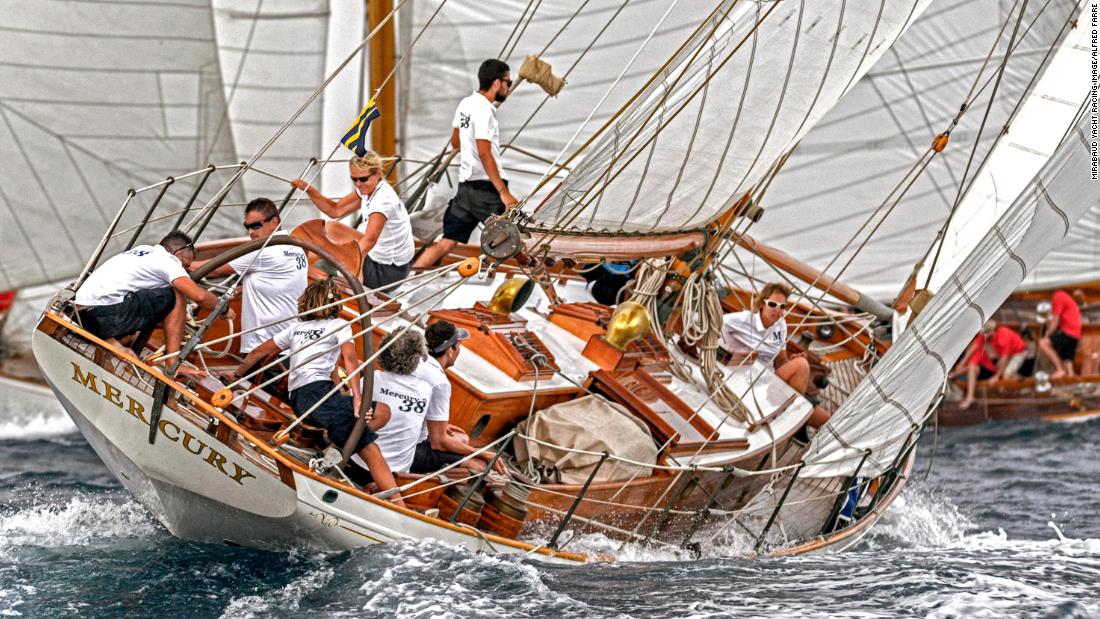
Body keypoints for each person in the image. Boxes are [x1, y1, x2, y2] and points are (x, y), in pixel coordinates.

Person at [235, 278, 402, 505]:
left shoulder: (296, 328)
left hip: (303, 399)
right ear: (336, 304)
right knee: (371, 449)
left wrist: (236, 376)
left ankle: (335, 449)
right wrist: (357, 401)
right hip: (317, 397)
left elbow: (257, 353)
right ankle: (399, 507)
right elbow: (350, 360)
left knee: (381, 410)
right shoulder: (339, 325)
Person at [75, 230, 230, 378]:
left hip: (82, 315)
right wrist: (224, 309)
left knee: (157, 297)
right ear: (178, 254)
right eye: (186, 266)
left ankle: (112, 341)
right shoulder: (168, 262)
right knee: (177, 293)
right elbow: (200, 296)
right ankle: (172, 363)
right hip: (107, 317)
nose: (186, 270)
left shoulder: (143, 250)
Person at [413, 59, 515, 269]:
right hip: (486, 190)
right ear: (497, 83)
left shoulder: (466, 104)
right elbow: (484, 152)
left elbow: (455, 142)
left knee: (447, 242)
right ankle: (552, 296)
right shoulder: (485, 110)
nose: (508, 87)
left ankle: (410, 280)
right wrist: (503, 192)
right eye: (508, 82)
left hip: (466, 187)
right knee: (514, 238)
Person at [191, 198, 307, 379]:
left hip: (264, 351)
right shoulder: (296, 248)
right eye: (248, 227)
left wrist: (175, 261)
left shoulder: (263, 251)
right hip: (289, 348)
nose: (251, 232)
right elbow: (277, 280)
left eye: (256, 226)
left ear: (274, 222)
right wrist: (244, 288)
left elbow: (212, 269)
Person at [291, 152, 415, 290]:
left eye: (363, 179)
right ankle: (309, 269)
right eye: (354, 179)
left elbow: (369, 240)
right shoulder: (369, 189)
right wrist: (309, 189)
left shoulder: (383, 201)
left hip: (387, 273)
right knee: (331, 228)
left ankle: (309, 276)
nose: (358, 184)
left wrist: (355, 270)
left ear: (378, 174)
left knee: (316, 255)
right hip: (385, 259)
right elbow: (335, 210)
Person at [720, 282, 830, 427]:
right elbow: (712, 325)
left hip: (768, 381)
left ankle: (790, 417)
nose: (777, 310)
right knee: (802, 369)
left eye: (782, 306)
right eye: (772, 304)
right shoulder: (741, 320)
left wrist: (790, 361)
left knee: (801, 365)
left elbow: (780, 360)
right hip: (745, 378)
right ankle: (791, 419)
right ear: (762, 304)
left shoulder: (781, 325)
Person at [411, 320, 506, 476]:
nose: (459, 350)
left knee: (460, 438)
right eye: (459, 346)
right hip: (409, 450)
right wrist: (482, 453)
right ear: (450, 350)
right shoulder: (440, 383)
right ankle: (424, 490)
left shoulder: (413, 362)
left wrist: (436, 425)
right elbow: (438, 442)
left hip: (387, 435)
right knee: (477, 464)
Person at [1038, 289, 1082, 379]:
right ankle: (1071, 383)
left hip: (1068, 331)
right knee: (1068, 362)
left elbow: (1055, 320)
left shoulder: (1058, 296)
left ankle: (1059, 369)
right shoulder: (1065, 297)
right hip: (1076, 334)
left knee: (1043, 343)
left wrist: (1047, 334)